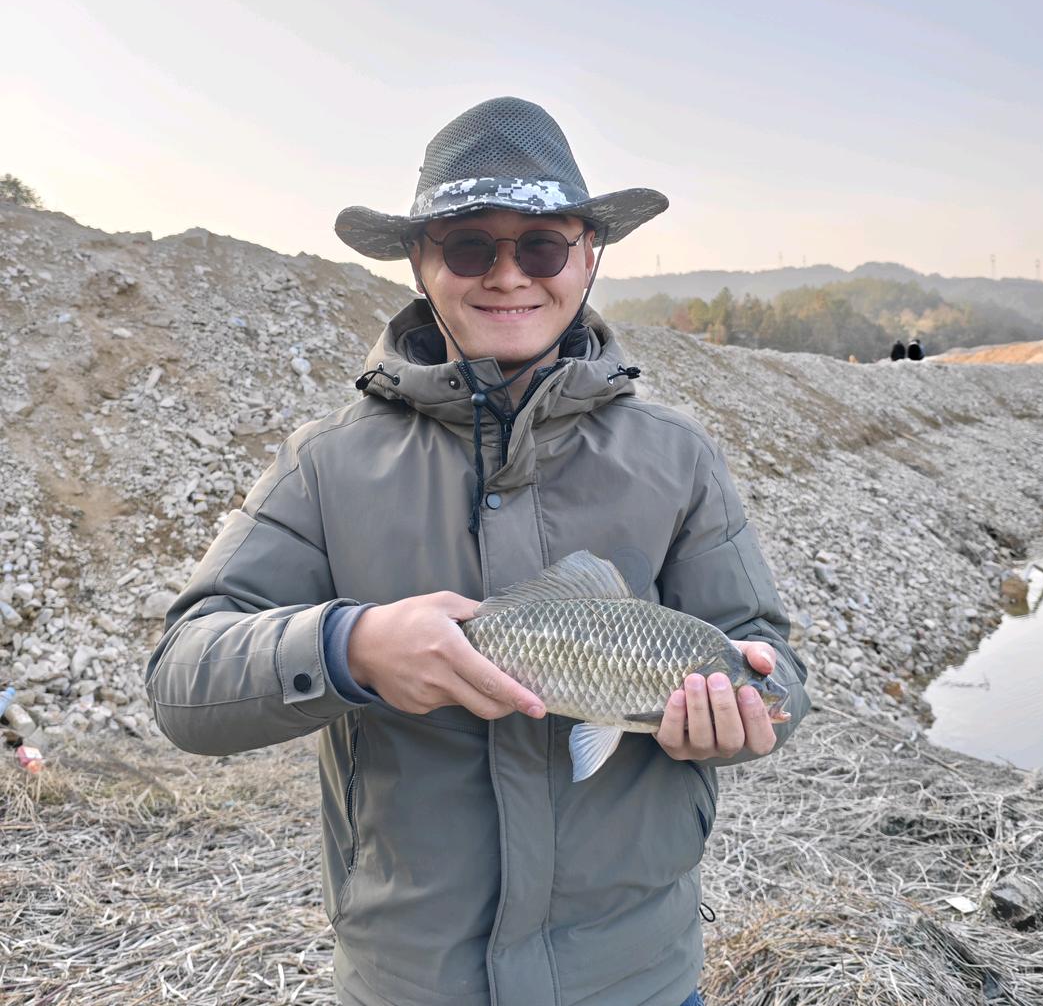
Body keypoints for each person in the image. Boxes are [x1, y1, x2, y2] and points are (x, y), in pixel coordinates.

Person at [146, 97, 810, 1006]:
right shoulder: (325, 461)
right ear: (421, 264)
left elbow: (775, 668)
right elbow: (183, 682)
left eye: (541, 246)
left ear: (586, 255)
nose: (508, 277)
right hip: (408, 981)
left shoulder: (678, 453)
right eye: (468, 247)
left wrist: (749, 721)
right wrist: (353, 649)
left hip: (636, 979)